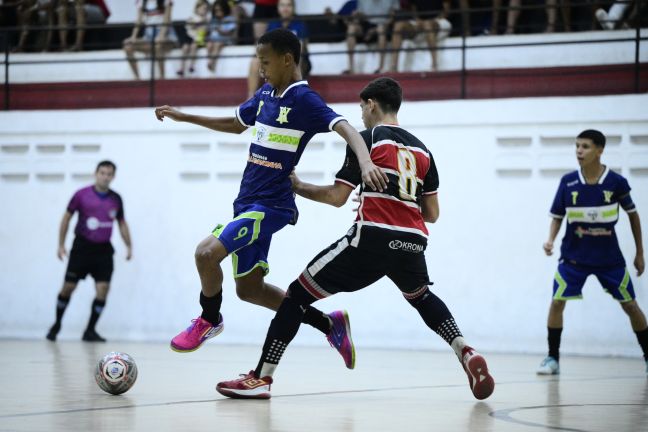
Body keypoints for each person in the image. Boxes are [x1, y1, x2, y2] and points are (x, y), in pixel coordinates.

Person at [215, 77, 496, 401]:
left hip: (372, 239)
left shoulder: (367, 139)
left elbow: (337, 197)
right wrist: (397, 199)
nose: (360, 114)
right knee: (420, 297)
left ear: (371, 104)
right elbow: (431, 213)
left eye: (362, 107)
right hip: (412, 242)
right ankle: (465, 350)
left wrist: (298, 185)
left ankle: (261, 378)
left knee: (295, 297)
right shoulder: (423, 150)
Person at [154, 29, 388, 366]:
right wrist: (185, 115)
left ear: (287, 59)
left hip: (272, 206)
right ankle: (329, 323)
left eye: (265, 61)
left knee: (206, 253)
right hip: (246, 202)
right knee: (250, 290)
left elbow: (348, 128)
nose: (260, 68)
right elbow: (236, 124)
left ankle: (209, 319)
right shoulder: (265, 94)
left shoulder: (305, 100)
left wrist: (365, 163)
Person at [536, 129, 647, 375]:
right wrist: (550, 240)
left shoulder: (616, 182)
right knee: (557, 302)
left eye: (585, 146)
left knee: (630, 305)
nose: (579, 151)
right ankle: (552, 358)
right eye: (577, 146)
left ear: (600, 150)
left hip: (609, 260)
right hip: (573, 258)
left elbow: (633, 215)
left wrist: (640, 252)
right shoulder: (568, 182)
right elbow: (557, 216)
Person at [46, 160, 132, 343]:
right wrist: (61, 245)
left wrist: (129, 246)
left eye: (109, 174)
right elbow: (66, 218)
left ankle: (90, 330)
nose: (105, 176)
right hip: (81, 248)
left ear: (113, 177)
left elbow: (122, 223)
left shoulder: (116, 199)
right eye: (102, 172)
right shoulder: (81, 195)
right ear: (96, 173)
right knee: (68, 287)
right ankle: (57, 324)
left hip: (103, 251)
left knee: (103, 289)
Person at [247, 0, 308, 98]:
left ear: (293, 8)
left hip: (296, 59)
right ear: (278, 8)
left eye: (288, 5)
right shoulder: (273, 24)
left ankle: (295, 96)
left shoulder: (300, 24)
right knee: (255, 62)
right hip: (276, 59)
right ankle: (250, 98)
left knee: (293, 61)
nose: (285, 9)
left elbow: (300, 48)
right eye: (282, 5)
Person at [388, 0, 451, 72]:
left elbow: (446, 11)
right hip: (420, 21)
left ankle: (434, 65)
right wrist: (418, 20)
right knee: (398, 26)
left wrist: (432, 20)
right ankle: (394, 66)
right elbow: (414, 10)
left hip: (440, 20)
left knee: (428, 25)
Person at [123, 0, 177, 80]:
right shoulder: (141, 2)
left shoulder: (166, 1)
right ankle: (137, 78)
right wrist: (133, 37)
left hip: (166, 35)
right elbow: (138, 21)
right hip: (148, 37)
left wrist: (161, 36)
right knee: (128, 47)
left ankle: (162, 78)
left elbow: (167, 20)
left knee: (158, 46)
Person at [344, 0, 398, 74]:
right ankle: (351, 68)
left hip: (383, 25)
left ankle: (380, 68)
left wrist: (374, 30)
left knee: (381, 29)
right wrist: (356, 16)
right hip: (366, 24)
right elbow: (360, 17)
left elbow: (393, 17)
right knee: (351, 28)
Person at [176, 0, 209, 77]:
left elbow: (205, 30)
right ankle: (181, 68)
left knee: (193, 46)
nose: (203, 10)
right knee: (185, 47)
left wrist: (203, 24)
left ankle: (191, 65)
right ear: (197, 8)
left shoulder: (207, 19)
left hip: (199, 39)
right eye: (202, 8)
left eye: (205, 9)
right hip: (189, 36)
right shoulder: (192, 17)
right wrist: (197, 24)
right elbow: (189, 26)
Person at [206, 0, 238, 73]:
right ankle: (210, 61)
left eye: (220, 10)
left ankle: (212, 62)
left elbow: (229, 32)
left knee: (217, 44)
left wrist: (218, 29)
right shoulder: (214, 20)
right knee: (209, 44)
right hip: (214, 40)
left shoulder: (230, 19)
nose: (218, 12)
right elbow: (209, 31)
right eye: (216, 10)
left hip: (225, 39)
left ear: (225, 9)